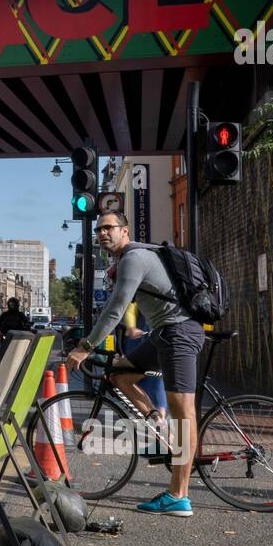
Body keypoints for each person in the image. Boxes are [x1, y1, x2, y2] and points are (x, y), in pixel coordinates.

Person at [64, 211, 206, 518]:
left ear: (124, 231)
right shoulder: (127, 260)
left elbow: (116, 308)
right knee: (119, 375)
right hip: (163, 334)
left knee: (185, 413)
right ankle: (158, 422)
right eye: (99, 229)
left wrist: (85, 346)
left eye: (108, 228)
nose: (102, 233)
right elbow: (117, 309)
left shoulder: (135, 258)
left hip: (179, 333)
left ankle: (178, 495)